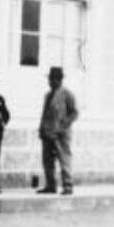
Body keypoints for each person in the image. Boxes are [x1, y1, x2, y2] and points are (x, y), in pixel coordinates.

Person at [37, 66, 78, 195]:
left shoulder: (67, 94)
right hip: (47, 133)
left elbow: (74, 113)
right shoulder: (47, 95)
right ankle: (51, 186)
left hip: (61, 134)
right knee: (47, 161)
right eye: (50, 79)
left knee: (64, 159)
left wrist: (63, 125)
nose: (52, 81)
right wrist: (41, 128)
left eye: (55, 79)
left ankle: (68, 186)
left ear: (60, 80)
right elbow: (45, 113)